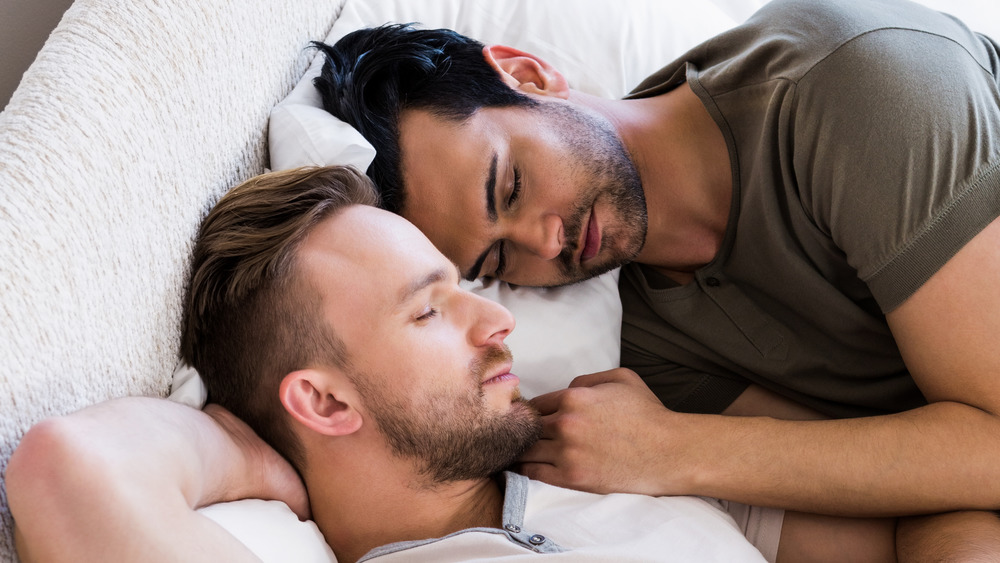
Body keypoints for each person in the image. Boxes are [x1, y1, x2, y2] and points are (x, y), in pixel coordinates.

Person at [310, 0, 1000, 555]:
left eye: (512, 186)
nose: (546, 241)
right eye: (496, 261)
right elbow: (897, 477)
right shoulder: (640, 334)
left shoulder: (855, 86)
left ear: (527, 74)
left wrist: (671, 448)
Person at [9, 166, 829, 562]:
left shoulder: (614, 459)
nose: (498, 317)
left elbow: (908, 520)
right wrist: (246, 453)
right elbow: (64, 467)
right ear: (324, 403)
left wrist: (679, 452)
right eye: (430, 309)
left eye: (464, 283)